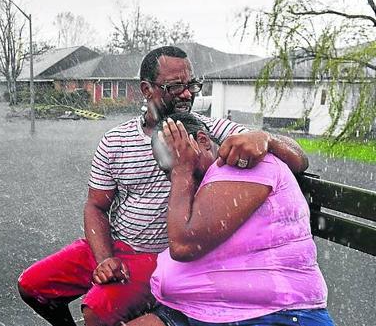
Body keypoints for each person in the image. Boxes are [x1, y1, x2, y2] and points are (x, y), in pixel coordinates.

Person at [17, 46, 309, 326]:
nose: (186, 94)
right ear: (146, 90)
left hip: (159, 256)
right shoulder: (116, 140)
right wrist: (105, 257)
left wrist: (266, 138)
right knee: (33, 286)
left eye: (192, 85)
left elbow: (299, 159)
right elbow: (96, 205)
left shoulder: (206, 130)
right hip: (115, 244)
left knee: (96, 310)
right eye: (174, 87)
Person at [126, 113, 334, 326]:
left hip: (271, 314)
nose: (173, 174)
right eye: (167, 169)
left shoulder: (241, 164)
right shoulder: (209, 178)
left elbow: (183, 245)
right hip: (200, 310)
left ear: (203, 141)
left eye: (179, 156)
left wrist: (182, 170)